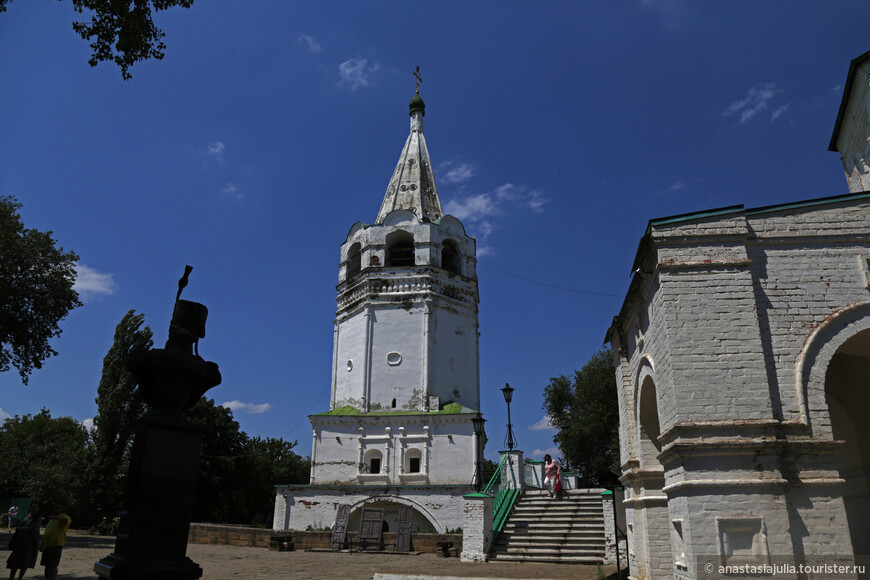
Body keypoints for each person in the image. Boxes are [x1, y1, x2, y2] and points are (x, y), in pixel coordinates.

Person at [6, 502, 40, 580]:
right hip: (19, 542)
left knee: (25, 562)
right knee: (14, 562)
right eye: (32, 506)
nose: (33, 508)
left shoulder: (38, 518)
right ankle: (11, 577)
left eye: (35, 507)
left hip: (29, 544)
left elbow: (33, 528)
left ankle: (20, 578)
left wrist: (21, 529)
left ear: (38, 509)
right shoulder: (25, 516)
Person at [40, 502, 70, 580]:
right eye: (55, 508)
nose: (56, 509)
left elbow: (65, 520)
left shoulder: (64, 517)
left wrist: (55, 517)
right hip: (47, 546)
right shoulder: (52, 520)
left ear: (62, 509)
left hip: (56, 545)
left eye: (58, 508)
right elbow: (47, 532)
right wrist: (42, 544)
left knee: (53, 566)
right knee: (47, 566)